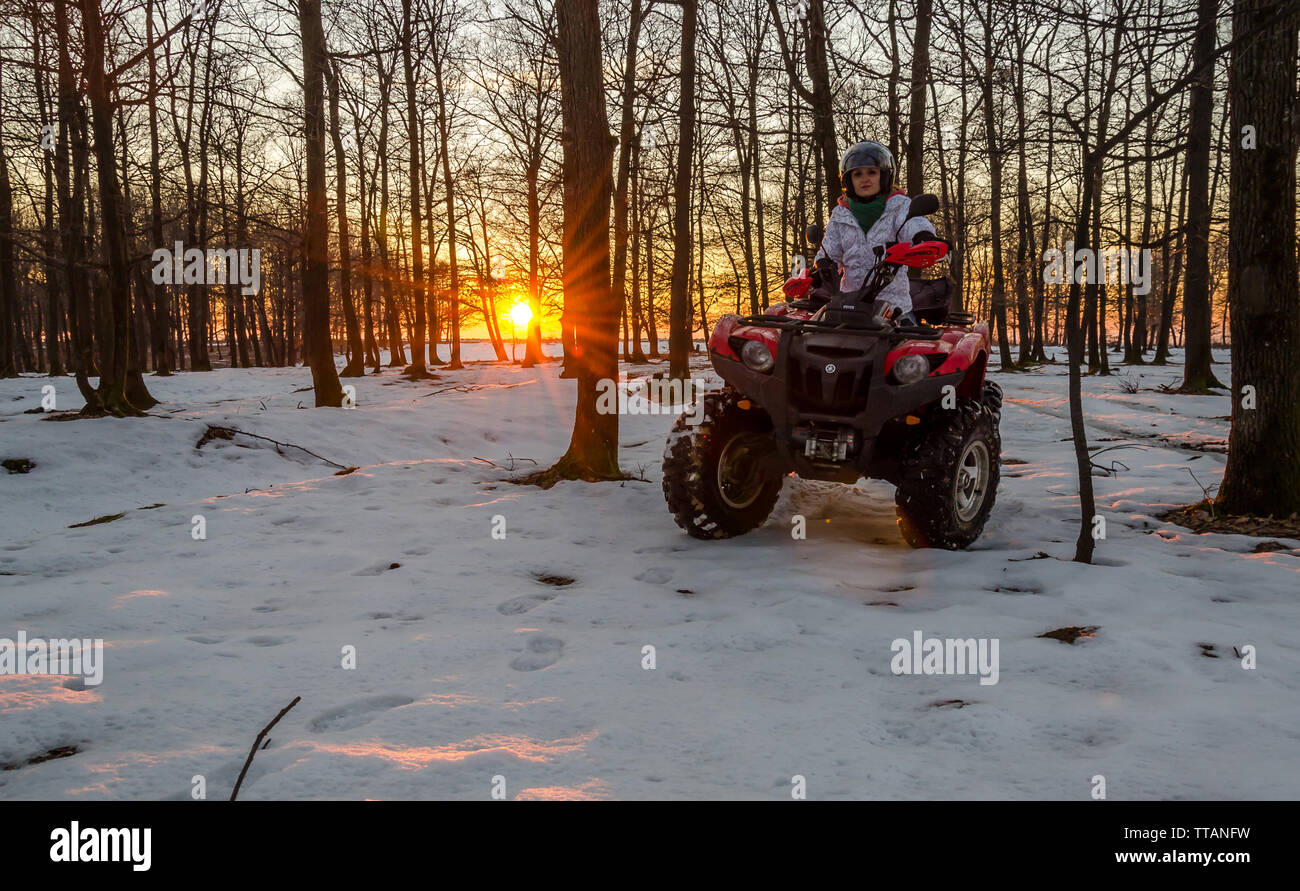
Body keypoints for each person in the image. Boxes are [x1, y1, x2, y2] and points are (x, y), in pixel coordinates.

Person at [811, 141, 939, 324]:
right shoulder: (840, 214)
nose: (865, 179)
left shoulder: (899, 206)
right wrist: (822, 264)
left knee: (908, 347)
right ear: (848, 180)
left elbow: (913, 223)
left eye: (872, 172)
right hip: (850, 305)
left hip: (893, 307)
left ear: (885, 176)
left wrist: (922, 236)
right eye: (857, 174)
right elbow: (829, 248)